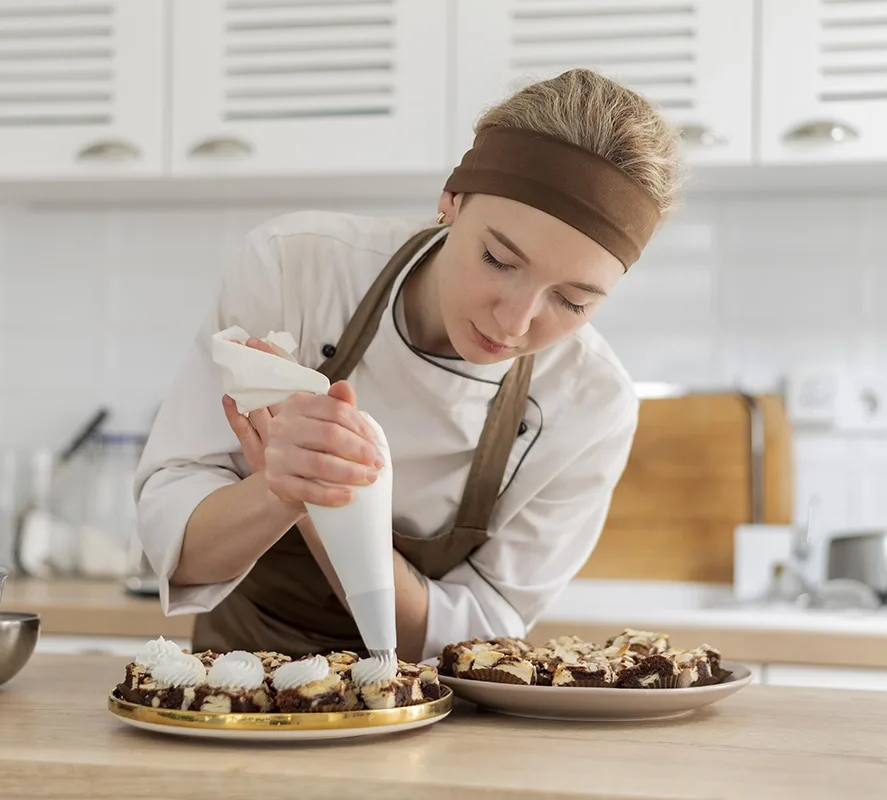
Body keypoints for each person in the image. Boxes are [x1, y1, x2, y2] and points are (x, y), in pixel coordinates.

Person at [133, 68, 682, 664]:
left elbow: (483, 643)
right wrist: (278, 492)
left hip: (437, 724)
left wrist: (327, 500)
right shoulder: (297, 269)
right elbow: (173, 547)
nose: (517, 320)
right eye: (498, 260)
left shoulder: (591, 402)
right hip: (233, 692)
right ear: (451, 201)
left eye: (573, 300)